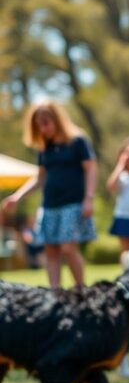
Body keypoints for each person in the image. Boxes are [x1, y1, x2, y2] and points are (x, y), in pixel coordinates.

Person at [2, 101, 96, 289]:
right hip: (49, 205)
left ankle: (81, 289)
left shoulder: (77, 141)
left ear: (57, 120)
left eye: (45, 123)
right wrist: (18, 196)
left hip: (73, 203)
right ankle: (55, 293)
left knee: (68, 248)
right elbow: (40, 178)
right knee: (51, 251)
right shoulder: (45, 148)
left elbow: (91, 169)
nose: (42, 129)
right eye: (38, 125)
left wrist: (89, 198)